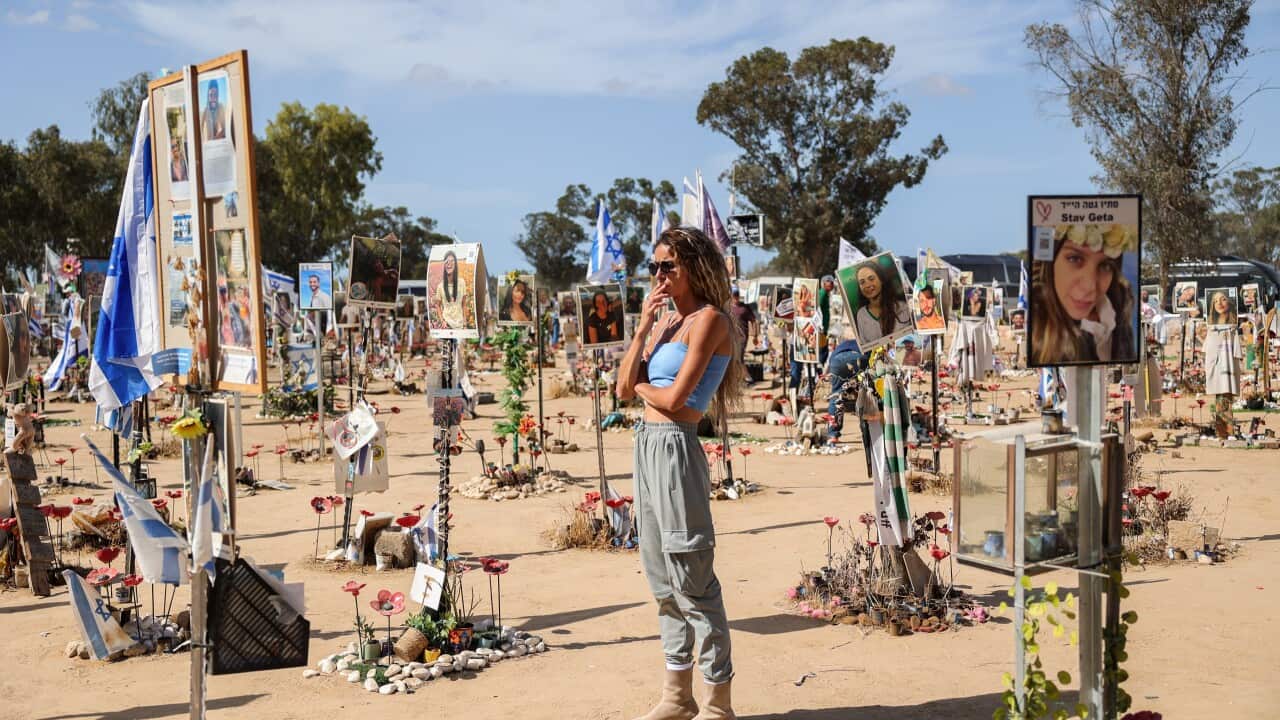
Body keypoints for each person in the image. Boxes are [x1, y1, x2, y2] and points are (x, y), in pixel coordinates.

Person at [616, 226, 744, 720]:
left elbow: (674, 401)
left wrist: (645, 388)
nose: (659, 275)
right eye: (654, 267)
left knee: (692, 576)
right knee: (659, 577)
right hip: (646, 446)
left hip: (675, 447)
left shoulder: (710, 321)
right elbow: (624, 386)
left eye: (667, 265)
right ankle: (677, 696)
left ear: (692, 266)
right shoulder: (667, 321)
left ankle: (718, 702)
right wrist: (644, 328)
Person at [1029, 224, 1136, 365]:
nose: (1090, 287)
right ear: (1050, 263)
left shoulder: (1121, 309)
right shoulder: (1037, 333)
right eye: (1074, 258)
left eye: (1105, 265)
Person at [851, 260, 912, 345]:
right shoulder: (861, 314)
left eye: (871, 279)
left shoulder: (902, 308)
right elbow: (864, 346)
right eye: (862, 282)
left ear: (881, 280)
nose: (868, 285)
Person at [826, 335, 864, 444]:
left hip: (837, 362)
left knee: (836, 396)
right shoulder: (862, 342)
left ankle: (833, 435)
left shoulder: (840, 346)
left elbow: (830, 364)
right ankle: (867, 432)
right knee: (866, 394)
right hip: (858, 358)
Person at [431, 250, 472, 330]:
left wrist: (464, 324)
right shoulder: (440, 286)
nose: (449, 263)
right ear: (444, 265)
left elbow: (464, 305)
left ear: (455, 264)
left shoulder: (461, 282)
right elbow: (438, 306)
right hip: (447, 325)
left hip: (459, 325)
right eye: (446, 261)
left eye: (452, 261)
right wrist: (442, 321)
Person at [728, 289, 757, 362]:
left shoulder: (745, 308)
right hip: (730, 336)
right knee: (730, 358)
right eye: (734, 295)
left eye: (737, 295)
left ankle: (740, 372)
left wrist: (755, 336)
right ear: (731, 296)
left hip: (742, 337)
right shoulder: (727, 307)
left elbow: (753, 321)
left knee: (739, 358)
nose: (736, 298)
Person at [817, 275, 835, 365]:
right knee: (822, 352)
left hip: (824, 328)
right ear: (823, 283)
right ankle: (819, 373)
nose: (831, 283)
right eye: (829, 281)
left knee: (824, 351)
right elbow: (818, 309)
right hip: (821, 329)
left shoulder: (826, 294)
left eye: (832, 282)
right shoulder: (823, 293)